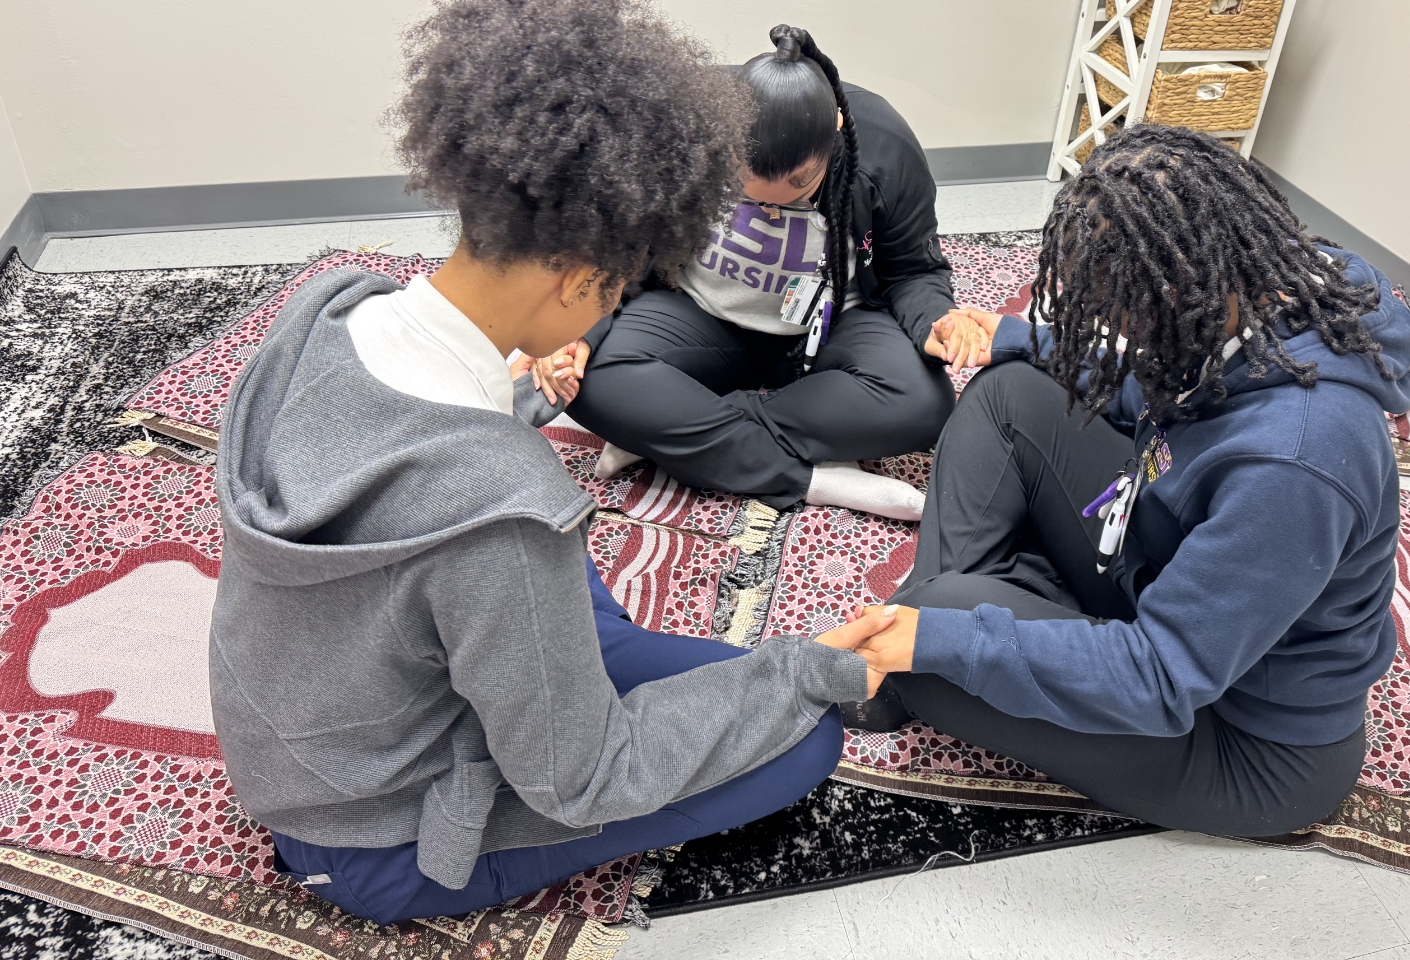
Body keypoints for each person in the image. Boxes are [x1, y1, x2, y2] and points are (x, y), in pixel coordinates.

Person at [207, 0, 895, 927]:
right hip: (379, 837)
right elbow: (582, 777)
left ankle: (610, 666)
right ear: (578, 279)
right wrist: (799, 671)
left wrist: (521, 393)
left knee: (577, 580)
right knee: (801, 735)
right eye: (613, 290)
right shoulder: (500, 512)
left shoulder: (329, 311)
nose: (610, 313)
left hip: (322, 728)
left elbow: (395, 454)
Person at [849, 125, 1410, 837]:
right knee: (1008, 394)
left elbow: (1164, 675)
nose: (1120, 340)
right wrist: (1022, 338)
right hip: (1163, 571)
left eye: (1126, 319)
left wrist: (945, 644)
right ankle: (958, 629)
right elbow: (1147, 390)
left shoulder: (1294, 462)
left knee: (940, 638)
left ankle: (935, 648)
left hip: (1244, 744)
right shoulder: (1263, 289)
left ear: (1182, 291)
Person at [560, 25, 976, 522]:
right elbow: (621, 241)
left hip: (832, 326)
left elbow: (914, 270)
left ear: (838, 128)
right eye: (751, 192)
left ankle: (669, 432)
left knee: (925, 405)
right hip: (699, 312)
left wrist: (938, 320)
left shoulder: (885, 147)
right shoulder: (687, 124)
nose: (773, 206)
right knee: (578, 379)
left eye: (799, 186)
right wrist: (583, 328)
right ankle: (817, 481)